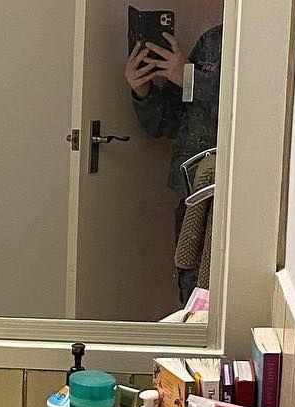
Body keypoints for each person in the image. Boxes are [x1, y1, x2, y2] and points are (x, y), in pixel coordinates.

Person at [125, 24, 222, 302]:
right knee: (192, 294)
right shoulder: (211, 42)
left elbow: (255, 109)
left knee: (224, 300)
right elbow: (165, 123)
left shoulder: (272, 47)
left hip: (240, 201)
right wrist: (142, 91)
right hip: (192, 194)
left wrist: (192, 79)